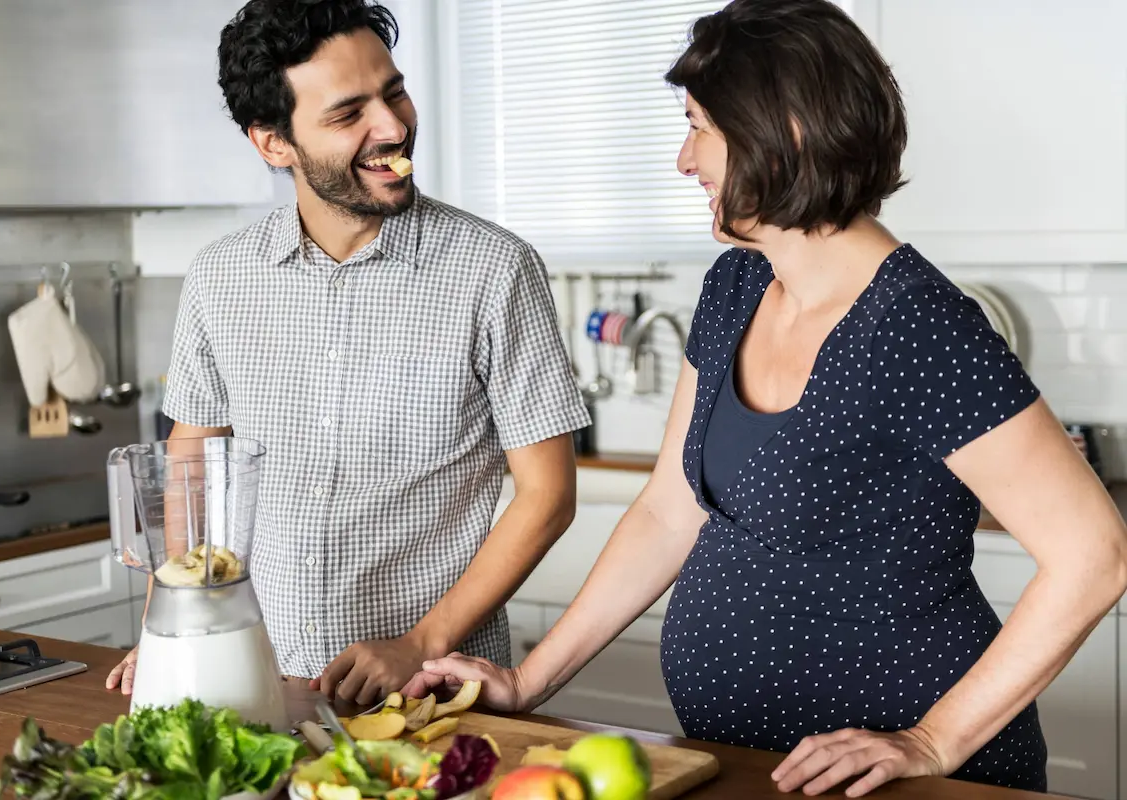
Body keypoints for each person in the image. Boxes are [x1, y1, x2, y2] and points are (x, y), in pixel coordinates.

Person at [404, 0, 1127, 796]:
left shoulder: (916, 327)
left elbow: (1095, 555)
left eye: (699, 127)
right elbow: (667, 512)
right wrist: (530, 681)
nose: (685, 159)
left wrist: (933, 740)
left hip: (900, 783)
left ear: (782, 132)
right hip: (748, 762)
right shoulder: (737, 286)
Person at [105, 0, 591, 705]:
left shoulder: (495, 269)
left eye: (394, 91)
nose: (394, 127)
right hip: (256, 679)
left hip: (431, 691)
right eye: (348, 113)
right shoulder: (219, 277)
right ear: (273, 143)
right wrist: (170, 631)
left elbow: (548, 496)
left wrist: (422, 643)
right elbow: (190, 475)